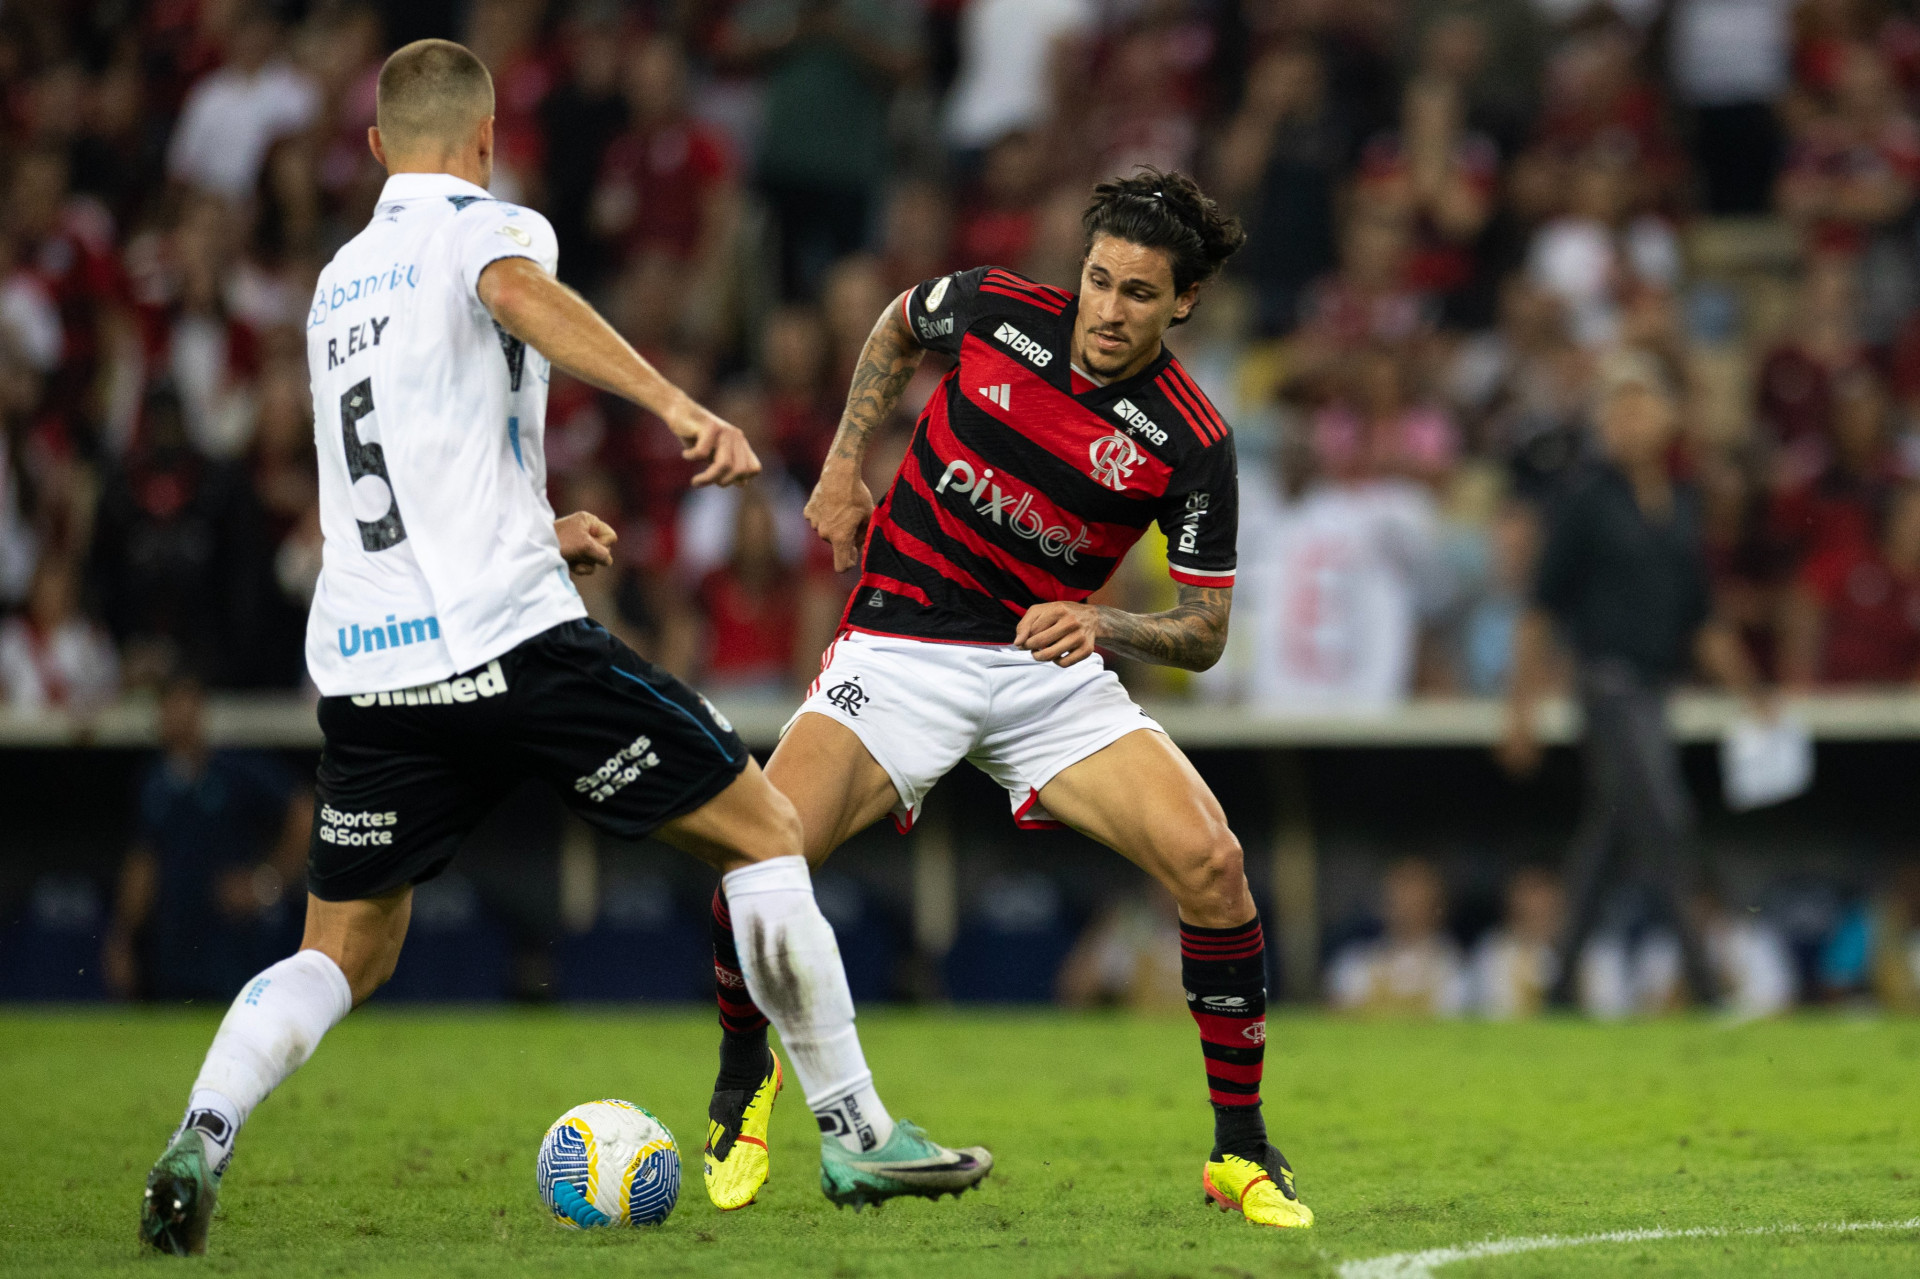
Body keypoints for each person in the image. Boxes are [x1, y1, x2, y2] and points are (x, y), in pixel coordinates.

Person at [138, 39, 989, 1257]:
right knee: (765, 831)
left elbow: (401, 461)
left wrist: (538, 521)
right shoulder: (494, 228)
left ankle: (201, 1132)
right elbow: (513, 293)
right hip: (513, 643)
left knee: (341, 949)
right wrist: (679, 403)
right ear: (484, 139)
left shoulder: (336, 282)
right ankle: (854, 1126)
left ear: (376, 149)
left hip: (377, 672)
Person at [699, 168, 1313, 1230]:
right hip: (901, 643)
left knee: (1214, 864)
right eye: (1099, 280)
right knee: (766, 849)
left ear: (1185, 304)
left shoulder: (1192, 440)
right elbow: (895, 328)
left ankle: (1240, 1150)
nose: (1108, 311)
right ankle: (739, 1085)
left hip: (1048, 670)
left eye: (1137, 294)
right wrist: (846, 465)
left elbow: (1205, 633)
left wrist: (1106, 622)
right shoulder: (996, 309)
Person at [1500, 352, 1769, 1010]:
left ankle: (1560, 986)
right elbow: (1542, 608)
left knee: (1612, 833)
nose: (1630, 419)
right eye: (1618, 408)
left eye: (1642, 404)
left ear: (1668, 419)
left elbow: (1701, 618)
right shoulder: (1587, 501)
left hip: (1655, 686)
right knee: (1667, 818)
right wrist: (1522, 708)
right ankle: (1707, 987)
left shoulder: (1680, 506)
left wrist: (1752, 691)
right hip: (1608, 683)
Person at [102, 677, 309, 1002]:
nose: (178, 716)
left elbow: (304, 812)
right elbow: (143, 863)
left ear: (201, 711)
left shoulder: (235, 770)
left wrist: (266, 885)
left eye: (186, 705)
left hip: (231, 940)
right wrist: (122, 938)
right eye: (170, 707)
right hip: (171, 940)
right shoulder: (153, 782)